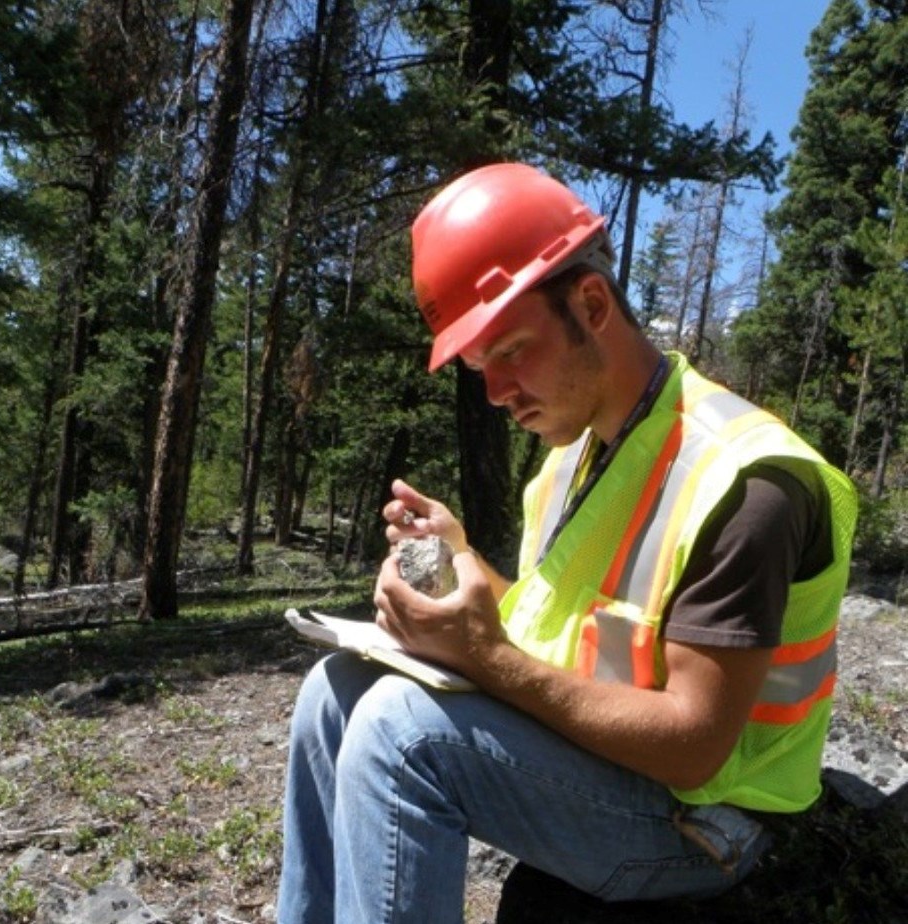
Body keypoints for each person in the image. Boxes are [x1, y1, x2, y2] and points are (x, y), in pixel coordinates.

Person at [276, 163, 858, 924]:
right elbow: (558, 629)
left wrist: (484, 657)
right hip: (616, 770)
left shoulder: (746, 485)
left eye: (511, 350)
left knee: (400, 733)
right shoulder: (570, 462)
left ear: (591, 303)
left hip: (712, 821)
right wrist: (461, 559)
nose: (495, 392)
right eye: (481, 366)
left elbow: (694, 747)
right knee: (334, 693)